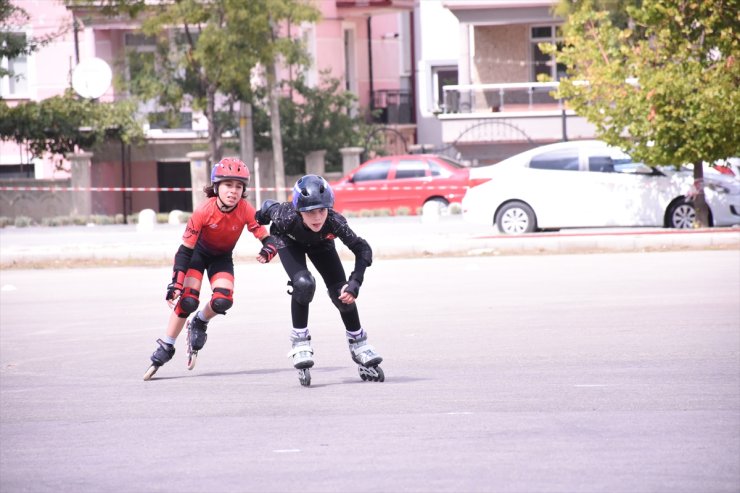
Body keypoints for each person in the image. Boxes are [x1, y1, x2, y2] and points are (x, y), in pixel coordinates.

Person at [143, 157, 278, 380]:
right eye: (228, 185)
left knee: (223, 300)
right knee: (188, 300)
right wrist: (176, 283)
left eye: (238, 186)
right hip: (197, 255)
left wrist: (268, 250)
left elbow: (268, 238)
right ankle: (167, 345)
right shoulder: (203, 211)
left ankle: (200, 321)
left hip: (221, 258)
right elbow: (185, 251)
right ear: (216, 187)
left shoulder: (245, 209)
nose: (233, 191)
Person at [255, 174, 384, 386]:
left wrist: (355, 282)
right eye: (310, 212)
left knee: (342, 294)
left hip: (321, 244)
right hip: (289, 241)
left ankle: (359, 343)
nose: (317, 218)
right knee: (304, 284)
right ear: (298, 211)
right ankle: (300, 341)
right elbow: (269, 206)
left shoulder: (333, 221)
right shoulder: (285, 215)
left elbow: (363, 249)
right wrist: (260, 217)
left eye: (321, 210)